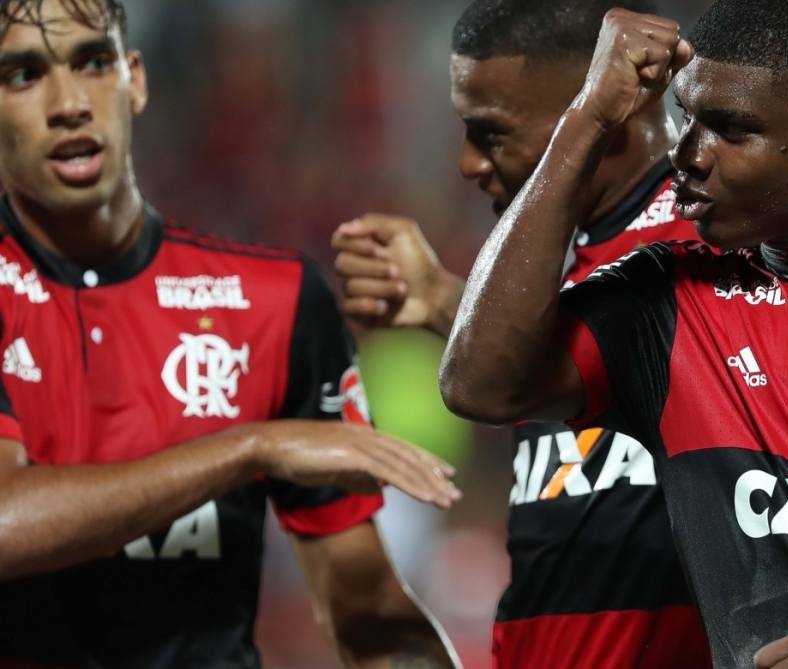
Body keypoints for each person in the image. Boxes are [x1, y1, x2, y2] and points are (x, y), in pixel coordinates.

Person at [333, 2, 788, 668]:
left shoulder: (731, 234)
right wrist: (443, 303)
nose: (468, 161)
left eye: (491, 131)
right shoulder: (571, 270)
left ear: (598, 107)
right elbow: (510, 375)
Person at [0, 2, 460, 668]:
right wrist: (251, 445)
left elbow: (370, 620)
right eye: (23, 74)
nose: (69, 103)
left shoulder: (275, 302)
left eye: (94, 63)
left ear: (136, 79)